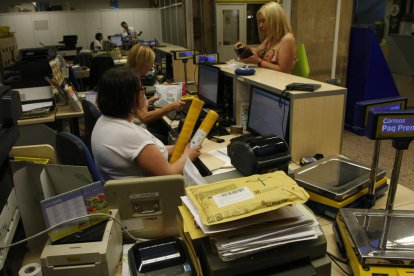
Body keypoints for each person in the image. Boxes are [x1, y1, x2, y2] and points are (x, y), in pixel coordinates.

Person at [91, 67, 201, 181]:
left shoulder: (104, 121)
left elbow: (149, 154)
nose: (143, 93)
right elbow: (169, 176)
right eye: (141, 90)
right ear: (130, 97)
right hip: (148, 194)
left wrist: (177, 148)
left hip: (126, 192)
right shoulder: (130, 136)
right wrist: (187, 156)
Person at [126, 43, 185, 143]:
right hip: (138, 130)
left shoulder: (128, 75)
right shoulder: (134, 81)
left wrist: (147, 101)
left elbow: (133, 106)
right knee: (172, 136)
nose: (152, 65)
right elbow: (144, 117)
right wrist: (171, 106)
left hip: (134, 127)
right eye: (150, 62)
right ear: (142, 62)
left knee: (165, 129)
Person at [235, 1, 296, 73]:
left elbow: (284, 70)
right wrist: (244, 48)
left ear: (274, 20)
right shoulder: (270, 39)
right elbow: (257, 51)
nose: (260, 26)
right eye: (259, 22)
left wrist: (259, 61)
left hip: (279, 83)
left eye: (263, 21)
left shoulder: (287, 39)